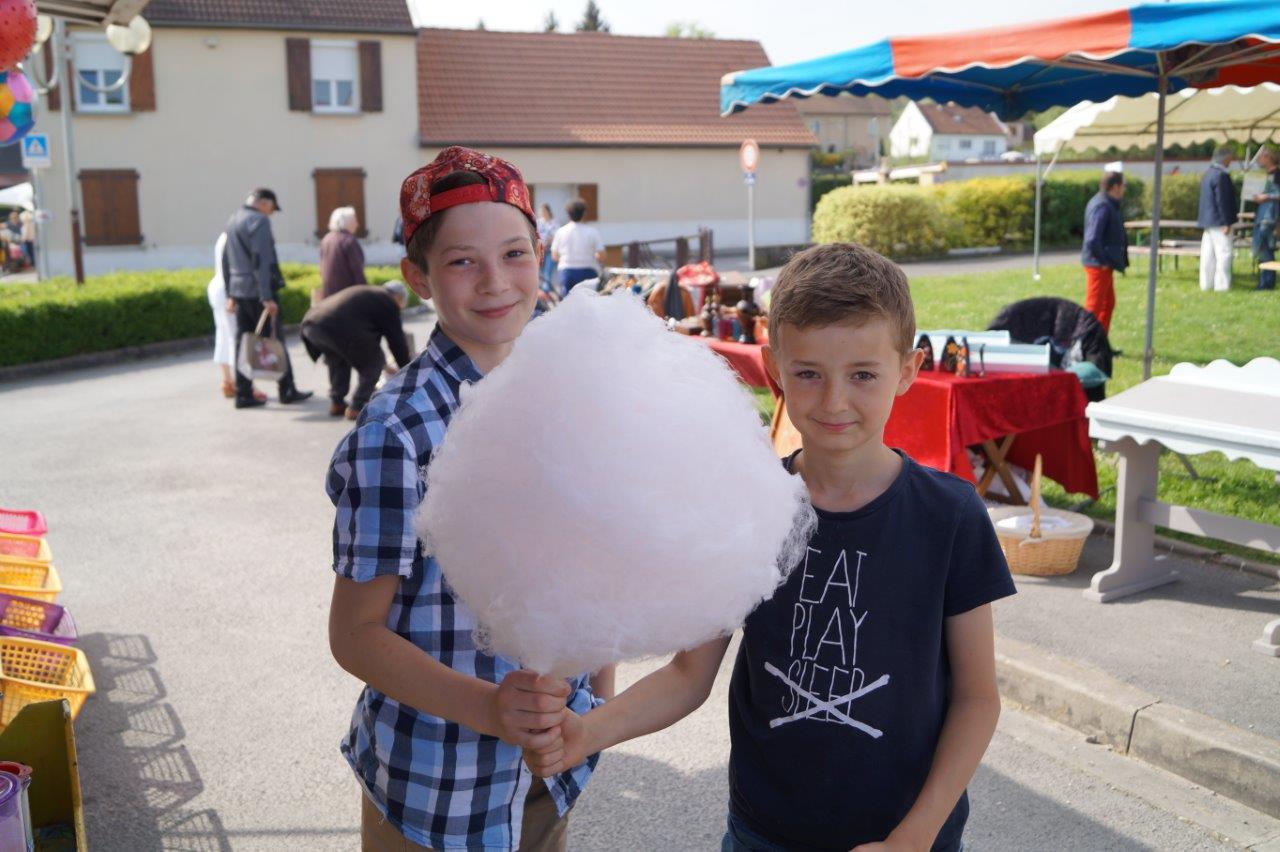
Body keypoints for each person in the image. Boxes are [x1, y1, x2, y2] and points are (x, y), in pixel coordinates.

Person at [522, 242, 1016, 852]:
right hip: (765, 833)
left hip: (910, 837)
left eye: (863, 374)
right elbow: (687, 675)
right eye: (808, 373)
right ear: (773, 367)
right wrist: (585, 732)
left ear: (909, 370)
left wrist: (916, 835)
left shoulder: (951, 516)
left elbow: (976, 698)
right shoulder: (749, 509)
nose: (834, 401)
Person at [326, 146, 611, 852]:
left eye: (514, 253)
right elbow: (355, 633)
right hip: (436, 788)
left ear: (541, 253)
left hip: (552, 764)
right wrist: (490, 708)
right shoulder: (398, 431)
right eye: (461, 262)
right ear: (417, 276)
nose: (495, 282)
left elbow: (594, 566)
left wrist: (597, 699)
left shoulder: (569, 391)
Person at [222, 187, 312, 409]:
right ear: (265, 203)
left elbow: (226, 260)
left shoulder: (233, 219)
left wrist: (230, 293)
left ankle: (243, 393)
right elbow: (261, 260)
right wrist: (266, 296)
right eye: (272, 207)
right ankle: (287, 390)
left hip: (239, 290)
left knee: (243, 342)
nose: (271, 213)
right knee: (275, 340)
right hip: (258, 292)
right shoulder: (259, 221)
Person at [301, 281, 413, 419]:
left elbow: (369, 345)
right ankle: (357, 406)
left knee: (338, 360)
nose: (401, 307)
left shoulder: (371, 295)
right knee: (374, 361)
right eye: (402, 302)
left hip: (311, 325)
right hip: (334, 325)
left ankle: (337, 403)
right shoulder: (386, 301)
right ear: (398, 296)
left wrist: (387, 368)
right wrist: (408, 371)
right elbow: (397, 342)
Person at [207, 231, 265, 402]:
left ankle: (227, 381)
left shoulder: (224, 235)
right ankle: (246, 386)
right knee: (237, 339)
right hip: (230, 289)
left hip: (217, 287)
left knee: (223, 335)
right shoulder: (237, 237)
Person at [1081, 171, 1129, 332]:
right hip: (1098, 264)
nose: (1124, 189)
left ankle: (1100, 343)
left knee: (1108, 303)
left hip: (1102, 264)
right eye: (1123, 186)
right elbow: (1092, 239)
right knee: (1094, 306)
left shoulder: (1106, 203)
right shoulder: (1102, 205)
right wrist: (1103, 261)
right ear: (1115, 187)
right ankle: (1083, 343)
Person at [1198, 145, 1238, 293]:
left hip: (1208, 220)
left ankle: (1206, 284)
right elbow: (1223, 200)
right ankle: (1221, 286)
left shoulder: (1208, 173)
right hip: (1219, 221)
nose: (1232, 160)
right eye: (1230, 157)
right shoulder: (1221, 175)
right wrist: (1226, 222)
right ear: (1226, 157)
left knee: (1208, 255)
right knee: (1224, 254)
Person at [550, 197, 604, 296]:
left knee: (568, 306)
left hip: (567, 272)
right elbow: (601, 256)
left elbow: (554, 256)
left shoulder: (560, 232)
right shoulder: (592, 231)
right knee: (590, 304)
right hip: (589, 272)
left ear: (568, 214)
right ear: (584, 213)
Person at [319, 205, 367, 299]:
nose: (357, 224)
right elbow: (358, 272)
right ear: (347, 223)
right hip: (347, 299)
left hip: (329, 296)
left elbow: (321, 269)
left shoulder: (326, 239)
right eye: (354, 221)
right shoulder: (349, 241)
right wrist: (365, 296)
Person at [1251, 146, 1278, 291]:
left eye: (1261, 157)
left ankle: (1266, 283)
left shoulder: (1277, 174)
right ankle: (1265, 282)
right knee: (1263, 250)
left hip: (1269, 218)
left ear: (1268, 158)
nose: (1259, 160)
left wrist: (1266, 196)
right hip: (1261, 217)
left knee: (1265, 251)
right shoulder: (1263, 175)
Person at [536, 202, 558, 294]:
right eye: (541, 211)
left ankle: (546, 292)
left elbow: (557, 236)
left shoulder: (554, 222)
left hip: (550, 250)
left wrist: (550, 240)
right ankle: (542, 292)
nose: (542, 213)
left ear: (548, 211)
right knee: (540, 273)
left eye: (544, 211)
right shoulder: (538, 222)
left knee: (547, 272)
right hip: (540, 250)